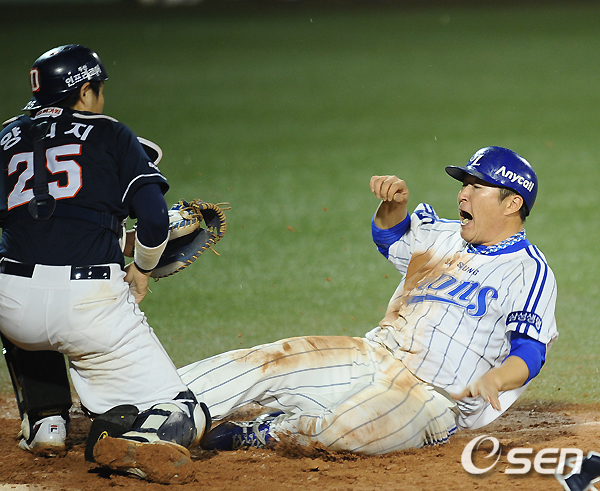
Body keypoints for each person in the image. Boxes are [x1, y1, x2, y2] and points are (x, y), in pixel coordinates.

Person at [177, 146, 558, 454]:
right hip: (371, 354)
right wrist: (393, 205)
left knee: (348, 432)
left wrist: (498, 378)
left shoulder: (528, 271)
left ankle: (270, 430)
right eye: (464, 185)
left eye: (477, 187)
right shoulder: (442, 236)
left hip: (431, 397)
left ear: (511, 204)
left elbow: (529, 351)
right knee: (265, 361)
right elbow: (390, 239)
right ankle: (158, 401)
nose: (462, 193)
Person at [0, 44, 209, 482]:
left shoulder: (6, 136)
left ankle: (45, 422)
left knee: (19, 287)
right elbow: (154, 220)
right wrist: (142, 267)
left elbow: (44, 223)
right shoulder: (110, 132)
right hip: (89, 311)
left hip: (12, 310)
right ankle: (132, 438)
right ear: (85, 91)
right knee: (184, 412)